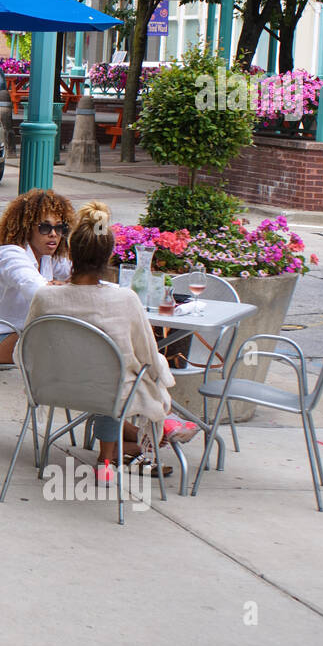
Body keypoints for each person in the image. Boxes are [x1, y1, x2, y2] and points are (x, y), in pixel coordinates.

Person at [24, 201, 200, 473]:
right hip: (108, 392)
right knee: (130, 373)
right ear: (108, 257)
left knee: (109, 371)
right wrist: (161, 376)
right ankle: (139, 444)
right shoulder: (124, 299)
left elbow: (25, 350)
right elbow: (148, 357)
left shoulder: (45, 296)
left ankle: (116, 453)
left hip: (52, 387)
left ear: (70, 252)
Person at [0, 188, 75, 368]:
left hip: (17, 334)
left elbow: (82, 275)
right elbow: (39, 293)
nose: (53, 234)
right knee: (63, 344)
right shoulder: (10, 254)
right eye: (45, 227)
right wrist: (67, 286)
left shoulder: (47, 257)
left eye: (60, 227)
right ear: (27, 228)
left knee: (70, 338)